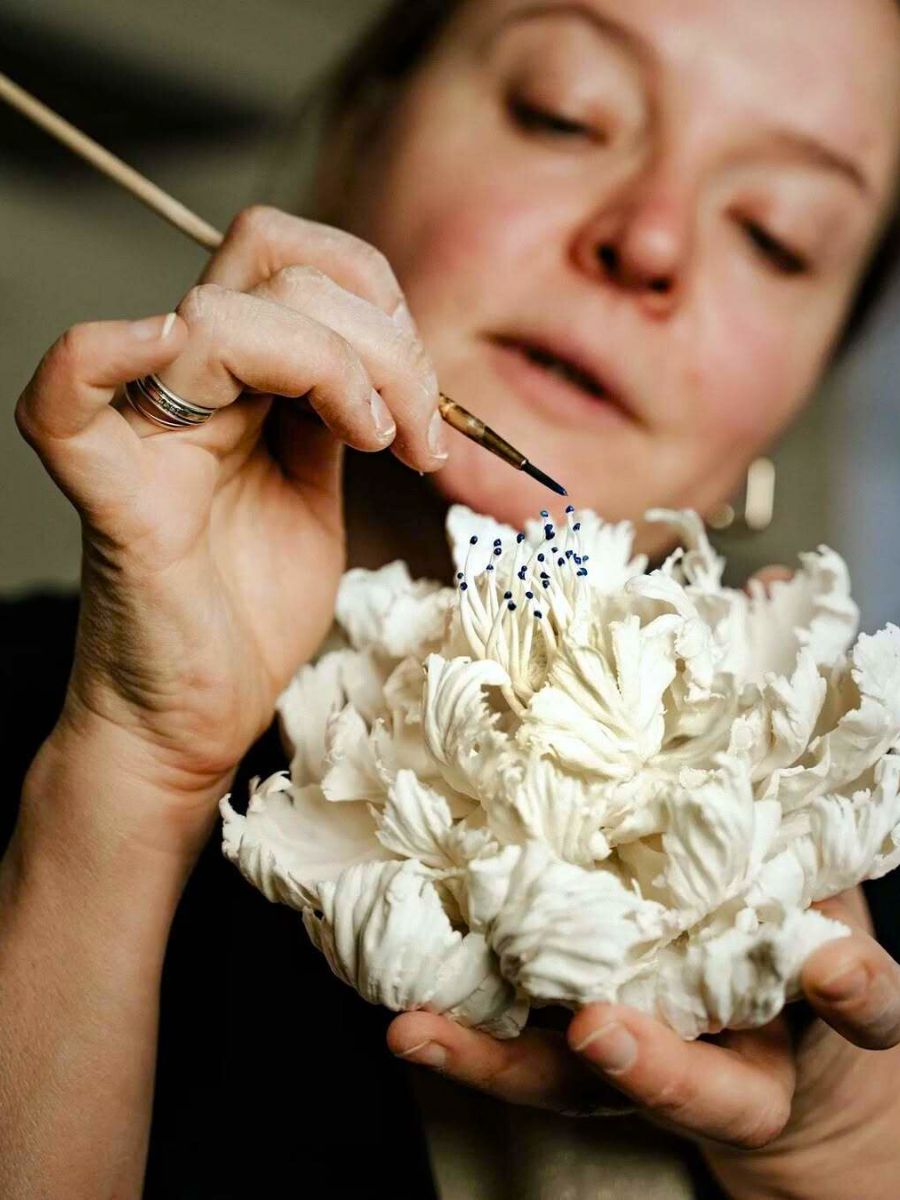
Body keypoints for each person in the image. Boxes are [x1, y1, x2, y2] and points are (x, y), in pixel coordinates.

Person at [2, 1, 899, 1197]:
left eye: (778, 237)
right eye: (564, 112)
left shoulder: (859, 884)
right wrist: (131, 774)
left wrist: (847, 1147)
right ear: (353, 144)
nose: (651, 240)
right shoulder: (51, 738)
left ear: (794, 402)